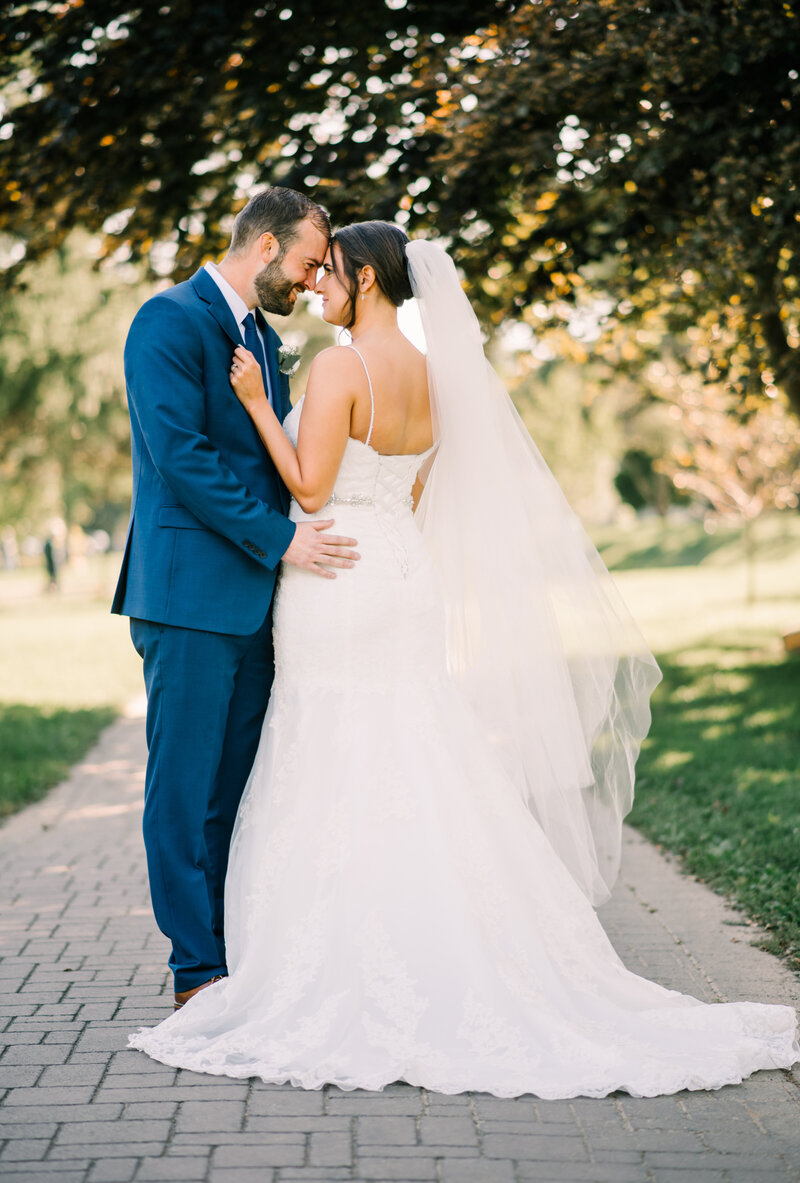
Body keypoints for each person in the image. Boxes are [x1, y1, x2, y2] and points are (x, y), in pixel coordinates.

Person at [129, 222, 799, 1099]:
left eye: (327, 271)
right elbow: (409, 490)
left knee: (333, 753)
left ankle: (326, 958)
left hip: (337, 578)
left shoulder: (333, 367)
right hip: (401, 577)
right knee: (413, 748)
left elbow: (312, 490)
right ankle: (436, 943)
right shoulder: (438, 374)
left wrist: (260, 405)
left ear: (364, 277)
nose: (317, 284)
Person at [112, 188, 359, 1012]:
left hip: (256, 604)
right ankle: (195, 970)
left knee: (234, 788)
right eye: (308, 262)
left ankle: (228, 945)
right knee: (181, 791)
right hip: (186, 599)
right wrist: (283, 537)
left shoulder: (260, 337)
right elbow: (181, 458)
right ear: (263, 248)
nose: (313, 277)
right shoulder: (168, 321)